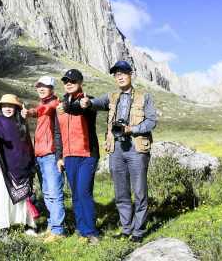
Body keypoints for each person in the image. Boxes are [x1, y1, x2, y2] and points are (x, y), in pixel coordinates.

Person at [81, 60, 157, 243]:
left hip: (137, 148)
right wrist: (87, 102)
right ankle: (126, 228)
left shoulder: (144, 96)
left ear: (131, 74)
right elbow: (96, 103)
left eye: (123, 73)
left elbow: (152, 121)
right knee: (121, 192)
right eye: (117, 74)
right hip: (116, 149)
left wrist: (132, 129)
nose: (120, 76)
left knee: (139, 192)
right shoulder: (112, 97)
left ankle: (138, 231)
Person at [57, 69, 100, 244]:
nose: (69, 83)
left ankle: (91, 232)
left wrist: (77, 105)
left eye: (73, 80)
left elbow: (79, 109)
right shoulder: (61, 104)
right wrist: (60, 156)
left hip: (87, 154)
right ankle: (82, 230)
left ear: (80, 82)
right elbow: (57, 132)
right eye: (66, 80)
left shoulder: (86, 101)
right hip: (69, 155)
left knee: (84, 192)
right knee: (75, 194)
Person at [21, 76, 65, 243]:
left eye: (45, 86)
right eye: (39, 86)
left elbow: (44, 110)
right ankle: (53, 226)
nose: (41, 88)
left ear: (52, 89)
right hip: (40, 156)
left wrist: (30, 112)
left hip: (51, 154)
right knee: (47, 193)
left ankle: (58, 231)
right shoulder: (43, 103)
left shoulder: (54, 103)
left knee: (54, 192)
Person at [0, 94, 37, 232]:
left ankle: (26, 223)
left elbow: (27, 143)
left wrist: (30, 162)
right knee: (1, 196)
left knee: (23, 197)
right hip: (2, 166)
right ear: (1, 107)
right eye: (5, 105)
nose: (8, 108)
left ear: (16, 108)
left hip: (21, 164)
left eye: (11, 106)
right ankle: (3, 225)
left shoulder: (21, 121)